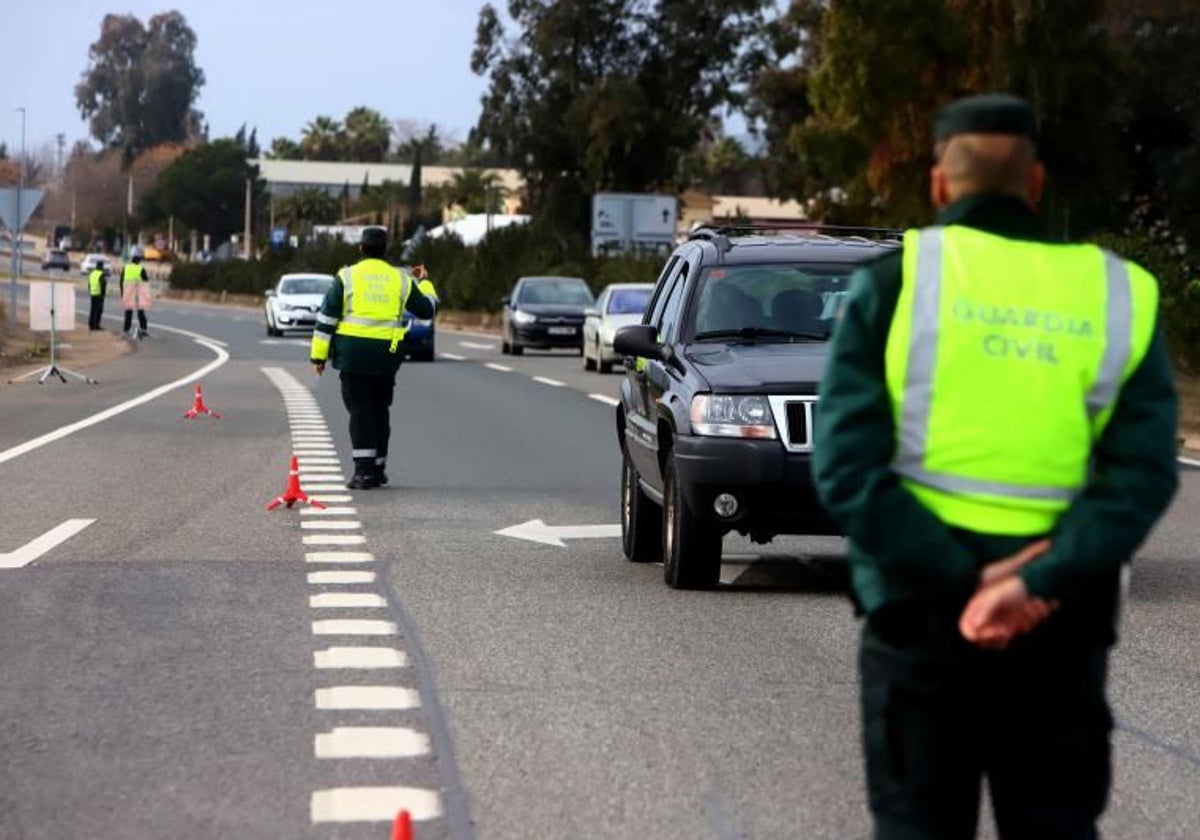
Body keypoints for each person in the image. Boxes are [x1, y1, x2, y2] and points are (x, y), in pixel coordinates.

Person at [812, 93, 1179, 839]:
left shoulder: (892, 284)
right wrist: (1030, 585)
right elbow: (1141, 477)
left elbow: (846, 469)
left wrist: (964, 581)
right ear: (1036, 183)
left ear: (940, 184)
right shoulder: (1118, 294)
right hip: (1059, 626)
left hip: (919, 623)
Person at [310, 226, 438, 489]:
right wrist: (425, 282)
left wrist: (318, 357)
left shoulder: (346, 277)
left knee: (360, 411)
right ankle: (378, 469)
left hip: (353, 356)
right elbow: (427, 309)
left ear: (361, 249)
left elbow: (326, 319)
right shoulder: (401, 279)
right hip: (386, 357)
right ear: (386, 250)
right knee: (380, 410)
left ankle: (363, 472)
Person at [121, 249, 150, 337]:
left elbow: (121, 280)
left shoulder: (126, 268)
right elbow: (146, 280)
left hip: (128, 292)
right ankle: (143, 329)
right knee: (140, 312)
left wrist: (122, 292)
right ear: (138, 261)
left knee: (128, 312)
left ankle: (126, 329)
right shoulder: (141, 269)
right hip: (138, 292)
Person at [87, 261, 109, 330]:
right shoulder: (101, 274)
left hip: (93, 293)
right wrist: (103, 294)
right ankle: (96, 325)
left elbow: (89, 284)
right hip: (99, 294)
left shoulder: (92, 273)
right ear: (101, 267)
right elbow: (103, 285)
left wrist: (90, 291)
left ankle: (91, 325)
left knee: (92, 310)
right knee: (98, 310)